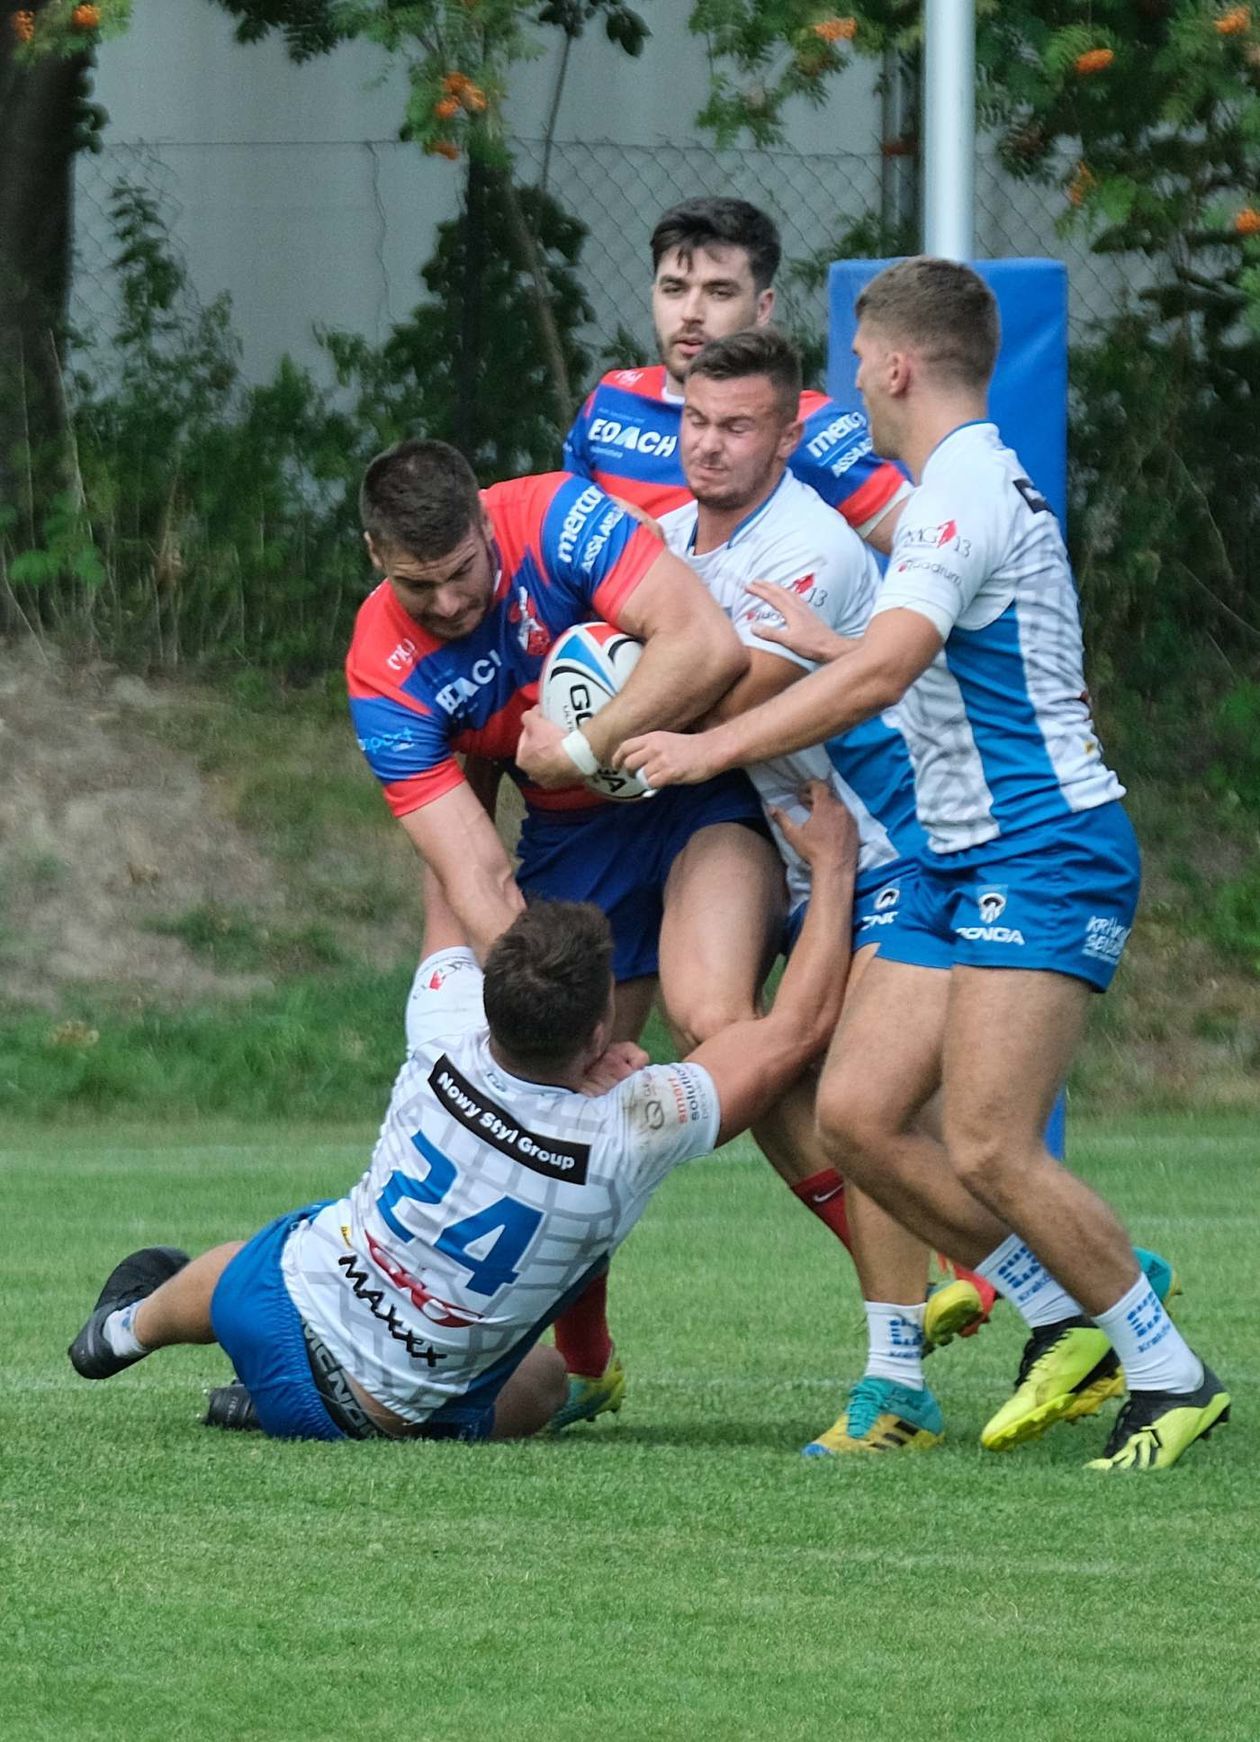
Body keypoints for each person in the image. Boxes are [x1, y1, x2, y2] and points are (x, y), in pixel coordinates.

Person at [620, 258, 1229, 1471]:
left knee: (996, 1138)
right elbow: (935, 658)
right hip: (960, 857)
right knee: (853, 1112)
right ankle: (1067, 1301)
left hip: (1044, 848)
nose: (852, 380)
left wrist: (713, 743)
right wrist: (833, 643)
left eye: (857, 361)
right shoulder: (953, 488)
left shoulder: (956, 493)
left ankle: (1168, 1368)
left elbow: (890, 673)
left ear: (896, 365)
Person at [67, 787, 856, 1443]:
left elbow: (448, 882)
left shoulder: (444, 1032)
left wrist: (464, 765)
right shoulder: (634, 1126)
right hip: (378, 1417)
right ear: (597, 1033)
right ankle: (267, 1403)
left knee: (269, 1256)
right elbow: (795, 1030)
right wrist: (833, 866)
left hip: (275, 1312)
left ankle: (125, 1331)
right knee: (545, 1381)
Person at [345, 437, 791, 1426]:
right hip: (571, 854)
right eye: (421, 586)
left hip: (687, 786)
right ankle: (586, 1362)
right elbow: (475, 874)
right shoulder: (382, 670)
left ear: (482, 521)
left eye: (463, 573)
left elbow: (707, 647)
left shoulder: (552, 516)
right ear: (377, 554)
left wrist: (580, 748)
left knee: (719, 1016)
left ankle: (918, 1301)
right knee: (555, 1100)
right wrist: (572, 1036)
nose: (451, 604)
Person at [562, 197, 911, 551]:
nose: (690, 313)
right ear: (654, 294)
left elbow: (931, 544)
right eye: (674, 289)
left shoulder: (806, 424)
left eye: (719, 292)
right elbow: (558, 543)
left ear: (763, 308)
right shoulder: (611, 401)